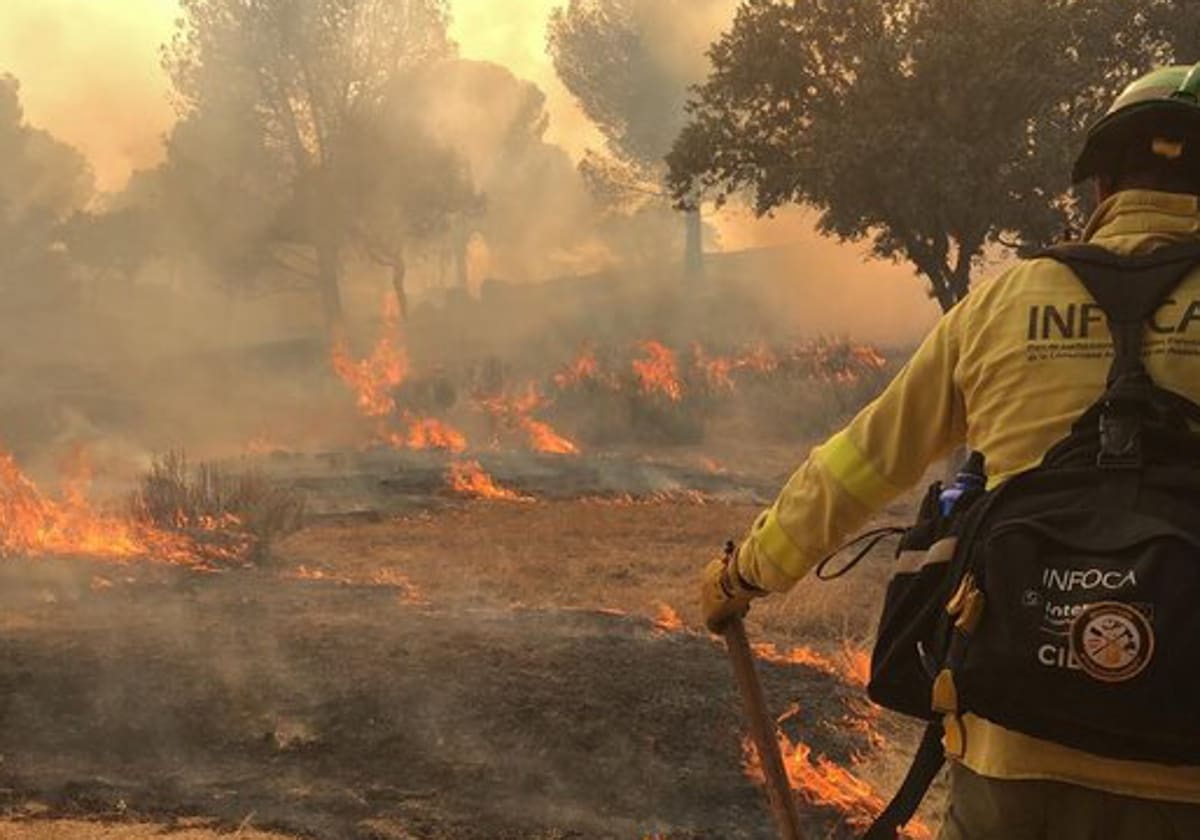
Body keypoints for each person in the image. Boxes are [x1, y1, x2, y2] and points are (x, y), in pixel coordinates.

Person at [701, 64, 1200, 839]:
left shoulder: (1002, 304)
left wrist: (747, 572)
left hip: (1012, 747)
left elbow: (862, 462)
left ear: (1100, 186)